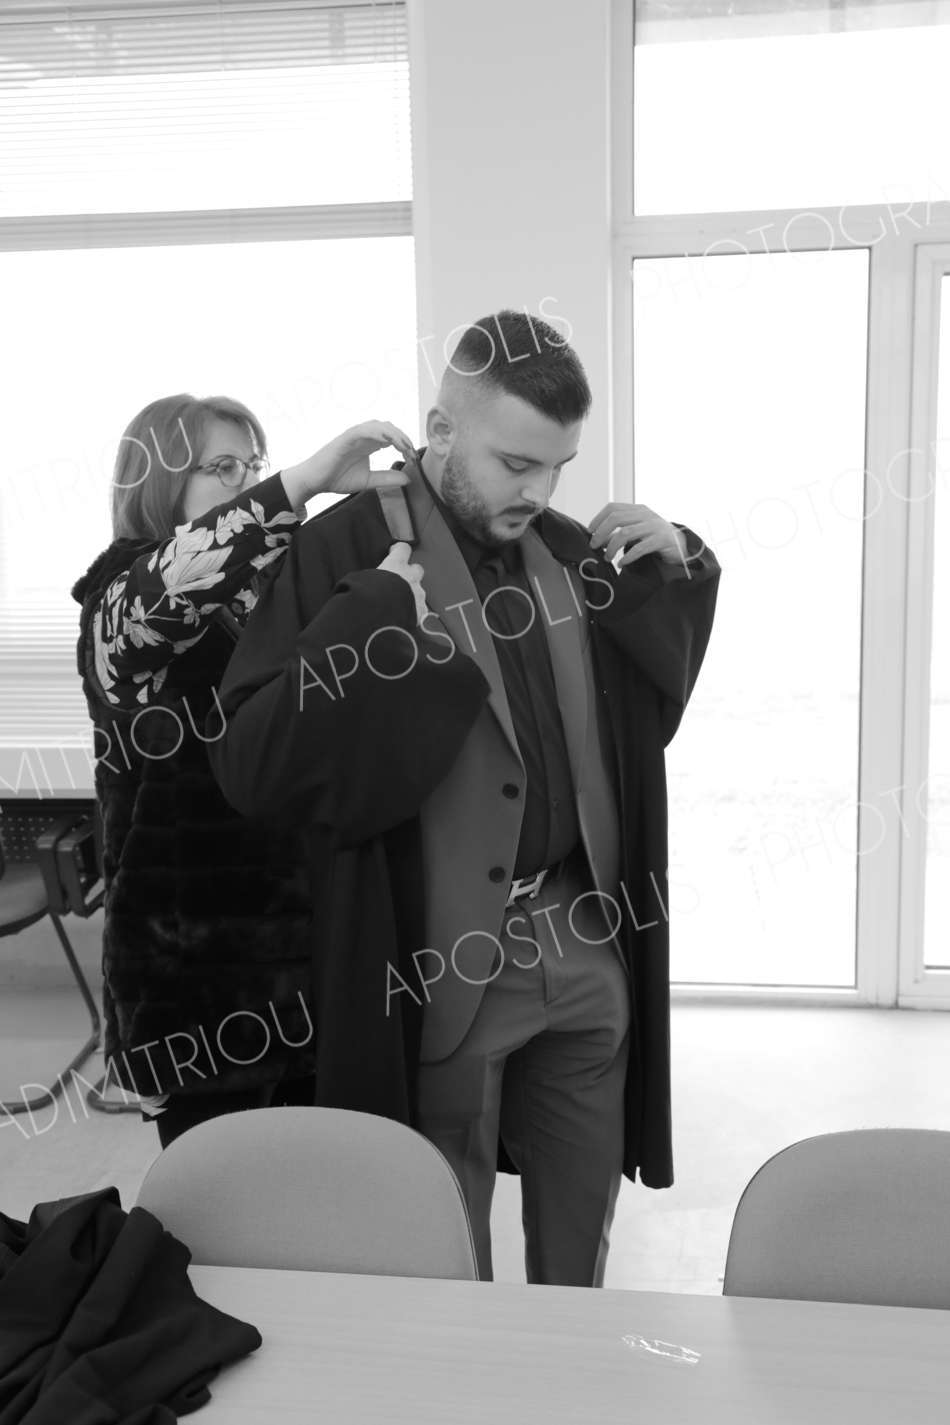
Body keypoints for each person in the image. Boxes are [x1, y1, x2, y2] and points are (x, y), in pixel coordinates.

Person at [209, 311, 720, 1285]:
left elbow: (642, 710)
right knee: (443, 1239)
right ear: (440, 430)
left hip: (581, 938)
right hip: (437, 961)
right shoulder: (347, 551)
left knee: (579, 1237)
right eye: (516, 463)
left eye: (558, 466)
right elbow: (252, 762)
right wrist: (370, 622)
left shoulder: (565, 549)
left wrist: (676, 569)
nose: (539, 492)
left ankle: (569, 1360)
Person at [72, 393, 428, 1147]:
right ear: (160, 484)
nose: (246, 480)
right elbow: (174, 585)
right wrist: (302, 481)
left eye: (254, 465)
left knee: (312, 1193)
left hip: (303, 965)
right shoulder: (117, 607)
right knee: (220, 1204)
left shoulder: (266, 598)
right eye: (223, 467)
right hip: (192, 986)